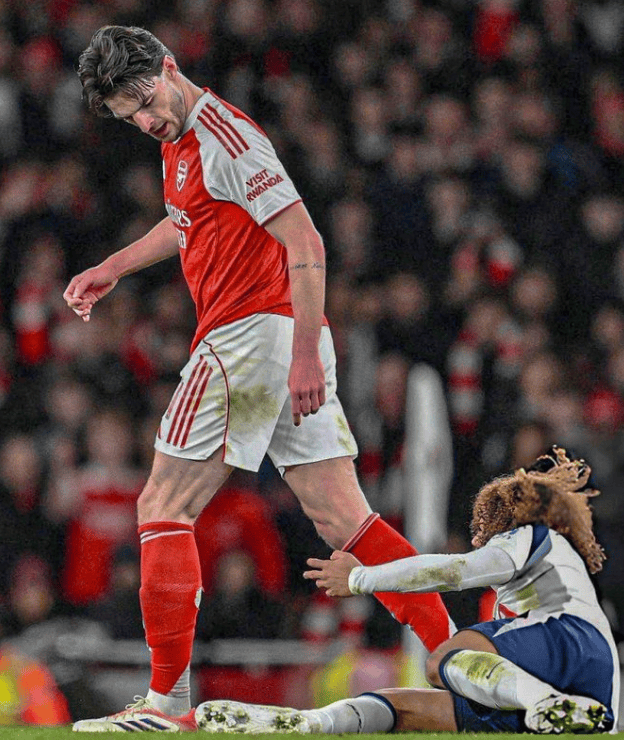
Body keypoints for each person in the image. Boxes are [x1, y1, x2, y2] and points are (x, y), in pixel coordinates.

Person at [64, 25, 454, 732]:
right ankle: (461, 660)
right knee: (344, 519)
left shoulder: (227, 138)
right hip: (279, 335)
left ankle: (166, 706)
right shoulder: (181, 140)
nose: (145, 121)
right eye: (129, 117)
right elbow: (186, 221)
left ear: (169, 67)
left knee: (162, 505)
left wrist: (302, 353)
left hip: (249, 336)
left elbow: (306, 240)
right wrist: (113, 266)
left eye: (145, 102)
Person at [195, 447, 620, 735]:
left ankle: (546, 702)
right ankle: (308, 724)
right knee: (401, 708)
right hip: (591, 694)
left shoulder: (531, 535)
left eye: (485, 524)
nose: (479, 537)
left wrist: (361, 578)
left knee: (444, 659)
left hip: (570, 648)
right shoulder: (532, 589)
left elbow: (456, 571)